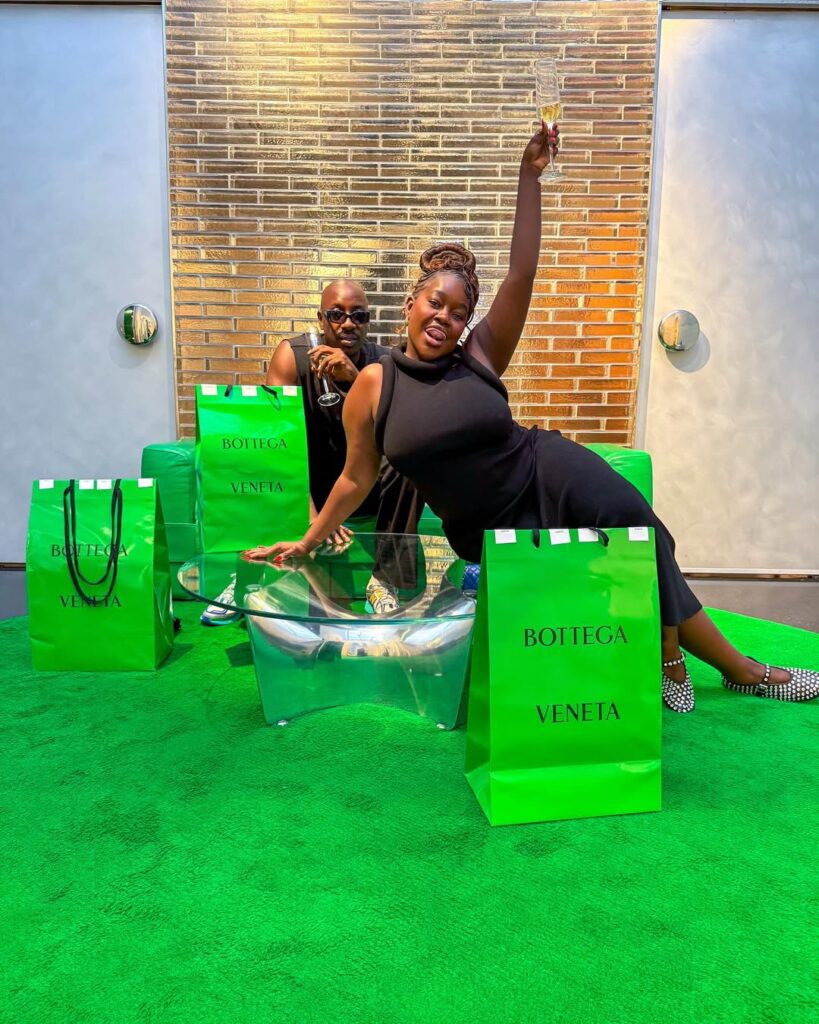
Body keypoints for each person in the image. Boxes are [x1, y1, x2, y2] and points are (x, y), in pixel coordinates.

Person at [245, 128, 818, 710]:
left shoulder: (479, 354)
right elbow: (355, 477)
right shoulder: (372, 384)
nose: (444, 317)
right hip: (486, 525)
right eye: (435, 302)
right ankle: (684, 657)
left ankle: (724, 666)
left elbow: (522, 272)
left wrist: (529, 176)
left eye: (459, 312)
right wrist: (308, 539)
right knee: (606, 566)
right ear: (410, 303)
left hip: (548, 470)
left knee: (636, 527)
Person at [265, 279, 422, 548]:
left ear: (367, 322)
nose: (348, 324)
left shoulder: (383, 363)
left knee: (409, 457)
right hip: (314, 490)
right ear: (321, 319)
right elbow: (278, 443)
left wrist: (357, 379)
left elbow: (401, 431)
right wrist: (313, 518)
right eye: (337, 315)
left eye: (358, 316)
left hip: (367, 492)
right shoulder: (292, 357)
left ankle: (393, 560)